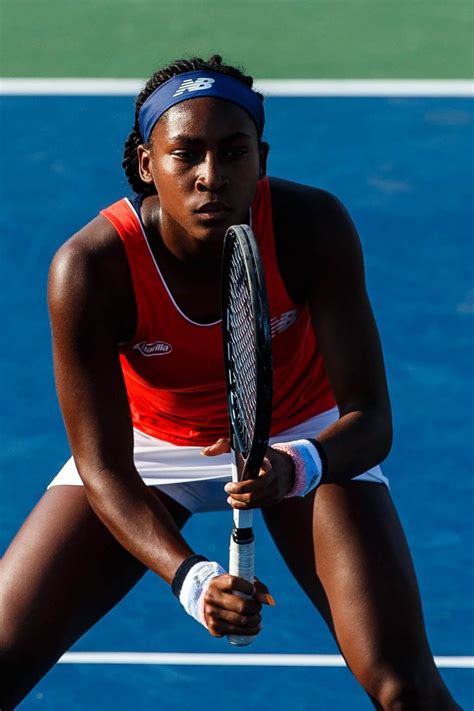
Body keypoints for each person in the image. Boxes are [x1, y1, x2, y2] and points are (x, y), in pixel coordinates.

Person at [0, 55, 460, 710]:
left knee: (403, 684)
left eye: (232, 152)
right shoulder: (90, 267)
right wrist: (193, 579)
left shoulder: (311, 227)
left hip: (300, 435)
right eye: (185, 154)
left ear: (261, 158)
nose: (211, 176)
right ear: (144, 163)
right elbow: (101, 465)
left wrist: (297, 465)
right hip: (148, 449)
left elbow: (370, 418)